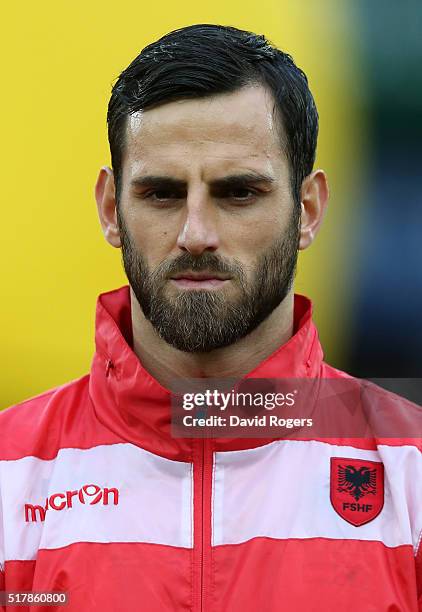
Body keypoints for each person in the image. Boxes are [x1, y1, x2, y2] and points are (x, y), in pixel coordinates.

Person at [0, 23, 420, 612]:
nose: (196, 234)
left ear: (308, 209)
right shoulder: (8, 477)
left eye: (238, 192)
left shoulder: (412, 471)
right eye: (162, 193)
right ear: (110, 208)